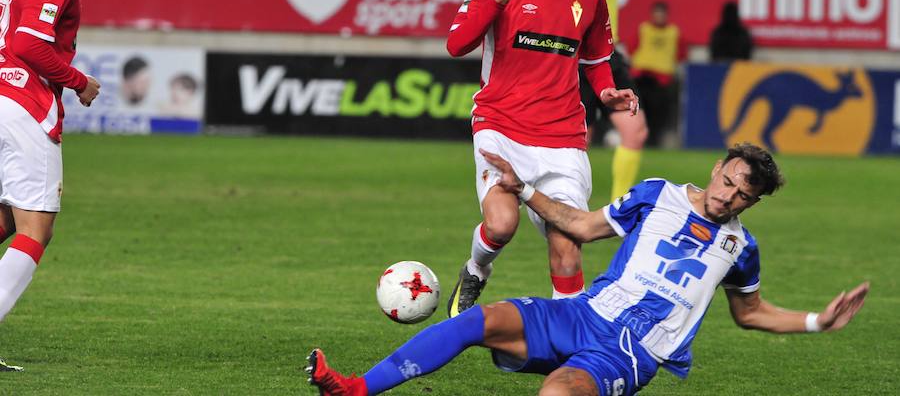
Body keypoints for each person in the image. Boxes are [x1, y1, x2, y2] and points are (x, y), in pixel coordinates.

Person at [306, 143, 869, 396]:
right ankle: (354, 389)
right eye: (728, 182)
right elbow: (580, 226)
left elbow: (750, 314)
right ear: (717, 168)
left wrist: (819, 321)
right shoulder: (657, 194)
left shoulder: (741, 248)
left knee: (558, 393)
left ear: (753, 203)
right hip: (583, 314)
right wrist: (523, 190)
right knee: (472, 324)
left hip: (629, 350)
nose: (728, 198)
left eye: (743, 197)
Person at [443, 0, 638, 316]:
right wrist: (495, 1)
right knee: (502, 223)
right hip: (502, 123)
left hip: (562, 135)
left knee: (567, 246)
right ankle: (476, 271)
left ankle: (569, 348)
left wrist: (606, 92)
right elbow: (457, 45)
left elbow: (594, 58)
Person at [0, 0, 105, 371]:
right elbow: (28, 43)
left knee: (6, 220)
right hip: (23, 103)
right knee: (35, 227)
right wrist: (79, 81)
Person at [572, 0, 648, 202]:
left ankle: (619, 208)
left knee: (635, 130)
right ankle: (569, 205)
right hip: (576, 55)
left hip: (608, 52)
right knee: (579, 139)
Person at [629, 1, 684, 147]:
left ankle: (653, 141)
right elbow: (632, 48)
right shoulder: (644, 29)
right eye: (657, 14)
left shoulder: (673, 32)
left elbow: (680, 54)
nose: (659, 17)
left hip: (662, 81)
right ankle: (637, 140)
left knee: (658, 115)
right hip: (642, 77)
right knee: (639, 112)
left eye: (662, 14)